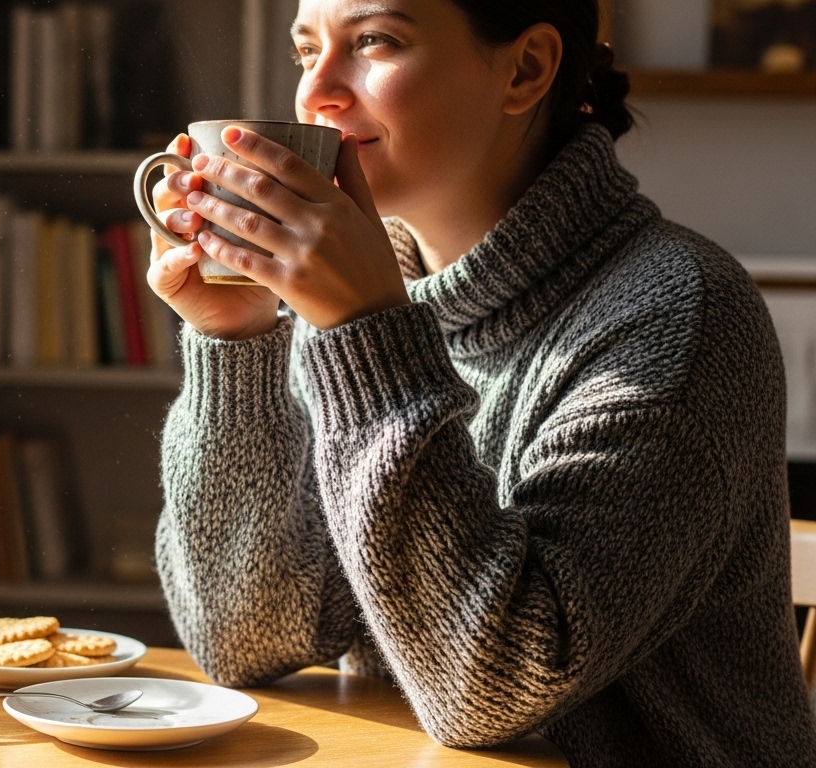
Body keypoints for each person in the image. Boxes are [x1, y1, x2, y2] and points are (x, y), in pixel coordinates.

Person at [146, 0, 816, 764]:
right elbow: (246, 638)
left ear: (526, 69)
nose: (315, 94)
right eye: (307, 52)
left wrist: (364, 333)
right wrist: (236, 340)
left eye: (373, 41)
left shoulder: (679, 314)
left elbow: (488, 689)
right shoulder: (355, 302)